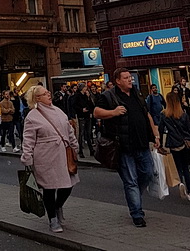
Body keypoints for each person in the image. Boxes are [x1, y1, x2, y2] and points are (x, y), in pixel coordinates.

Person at [93, 68, 160, 228]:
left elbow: (147, 115)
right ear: (118, 81)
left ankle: (135, 197)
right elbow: (96, 112)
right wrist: (113, 112)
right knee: (130, 181)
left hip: (142, 143)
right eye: (126, 78)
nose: (130, 80)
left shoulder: (137, 94)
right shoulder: (108, 96)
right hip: (123, 146)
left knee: (148, 173)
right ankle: (137, 214)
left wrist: (155, 135)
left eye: (130, 77)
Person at [21, 85, 79, 234]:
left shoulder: (59, 111)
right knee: (49, 188)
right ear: (37, 98)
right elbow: (28, 139)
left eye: (48, 92)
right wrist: (27, 157)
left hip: (63, 154)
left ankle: (58, 205)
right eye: (44, 93)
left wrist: (74, 146)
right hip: (45, 156)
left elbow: (68, 130)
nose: (49, 94)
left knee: (68, 185)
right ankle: (53, 219)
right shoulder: (32, 116)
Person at [159, 91, 190, 201]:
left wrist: (160, 143)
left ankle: (180, 183)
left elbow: (161, 130)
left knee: (178, 167)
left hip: (173, 143)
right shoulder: (183, 114)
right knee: (186, 168)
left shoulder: (164, 114)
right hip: (184, 143)